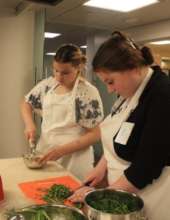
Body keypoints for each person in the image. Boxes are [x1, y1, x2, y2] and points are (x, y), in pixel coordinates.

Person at [39, 31, 170, 220]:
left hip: (153, 200)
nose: (109, 89)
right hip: (124, 194)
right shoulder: (130, 91)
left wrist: (100, 195)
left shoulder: (162, 95)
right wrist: (101, 167)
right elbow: (117, 133)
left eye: (110, 81)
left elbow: (145, 168)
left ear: (133, 67)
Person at [21, 44, 104, 180]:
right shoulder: (47, 85)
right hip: (46, 151)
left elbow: (95, 134)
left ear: (78, 68)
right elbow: (26, 103)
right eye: (56, 70)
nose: (59, 77)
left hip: (75, 158)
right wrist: (29, 124)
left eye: (65, 73)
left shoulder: (87, 92)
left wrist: (61, 151)